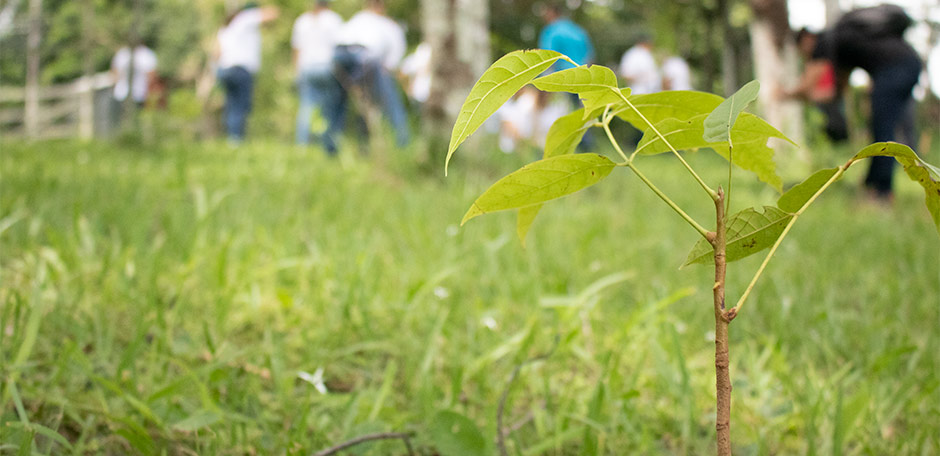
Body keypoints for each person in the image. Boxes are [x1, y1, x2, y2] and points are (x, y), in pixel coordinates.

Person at [812, 5, 922, 201]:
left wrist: (791, 94)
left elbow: (833, 89)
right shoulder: (847, 36)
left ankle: (881, 192)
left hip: (896, 70)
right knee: (887, 127)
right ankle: (873, 185)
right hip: (908, 64)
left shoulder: (831, 43)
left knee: (883, 133)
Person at [332, 0, 409, 148]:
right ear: (381, 6)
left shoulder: (357, 18)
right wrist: (388, 69)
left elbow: (339, 39)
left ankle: (352, 146)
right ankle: (402, 141)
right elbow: (397, 50)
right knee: (390, 101)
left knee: (358, 103)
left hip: (341, 58)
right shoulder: (387, 24)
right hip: (368, 59)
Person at [214, 3, 279, 143]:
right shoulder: (245, 18)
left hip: (224, 69)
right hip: (240, 70)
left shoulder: (225, 28)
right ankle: (237, 139)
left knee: (231, 104)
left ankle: (231, 138)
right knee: (241, 105)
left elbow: (216, 53)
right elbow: (272, 13)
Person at [292, 0, 344, 154]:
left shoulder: (302, 21)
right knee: (330, 109)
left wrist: (297, 73)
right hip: (327, 68)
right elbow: (340, 47)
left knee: (306, 107)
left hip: (306, 68)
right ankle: (329, 146)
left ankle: (302, 146)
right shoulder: (334, 19)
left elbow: (296, 50)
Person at [781, 28, 848, 142]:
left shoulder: (822, 44)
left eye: (801, 49)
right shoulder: (830, 46)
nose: (805, 54)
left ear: (807, 39)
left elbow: (807, 86)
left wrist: (785, 93)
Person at [110, 41, 157, 124]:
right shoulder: (146, 55)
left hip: (135, 95)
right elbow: (152, 77)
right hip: (130, 94)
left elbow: (114, 75)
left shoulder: (123, 54)